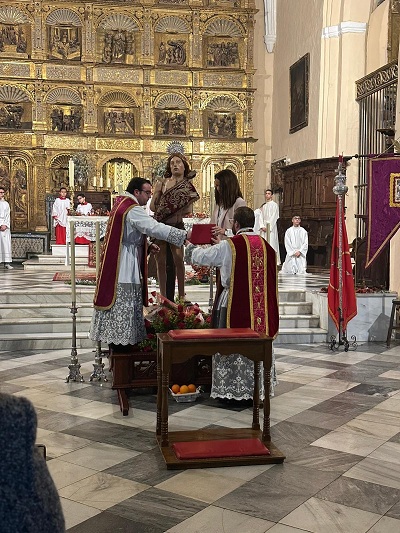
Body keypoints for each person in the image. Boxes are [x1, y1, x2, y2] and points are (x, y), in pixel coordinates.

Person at [187, 206, 279, 401]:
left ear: (236, 224)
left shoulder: (230, 245)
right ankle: (255, 389)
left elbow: (203, 258)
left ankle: (231, 390)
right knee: (255, 344)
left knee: (228, 343)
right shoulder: (266, 247)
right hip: (259, 306)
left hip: (231, 303)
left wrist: (190, 246)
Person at [90, 177, 188, 349]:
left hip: (123, 258)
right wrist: (183, 235)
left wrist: (147, 245)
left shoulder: (122, 203)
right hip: (125, 266)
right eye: (147, 193)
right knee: (124, 311)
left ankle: (120, 350)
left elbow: (127, 233)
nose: (149, 197)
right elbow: (153, 227)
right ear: (137, 192)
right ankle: (122, 353)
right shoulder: (132, 208)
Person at [150, 152, 199, 300]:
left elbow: (188, 210)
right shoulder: (163, 183)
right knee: (161, 261)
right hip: (161, 225)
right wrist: (158, 193)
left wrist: (176, 206)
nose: (175, 165)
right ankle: (164, 296)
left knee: (179, 260)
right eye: (172, 163)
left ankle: (182, 296)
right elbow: (153, 208)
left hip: (177, 225)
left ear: (184, 166)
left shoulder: (187, 186)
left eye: (178, 162)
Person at [211, 168, 246, 238]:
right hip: (217, 245)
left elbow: (242, 231)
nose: (218, 189)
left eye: (219, 186)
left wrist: (225, 232)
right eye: (216, 186)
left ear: (228, 186)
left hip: (230, 245)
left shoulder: (239, 202)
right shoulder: (219, 203)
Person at [258, 189, 281, 265]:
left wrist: (268, 227)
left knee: (271, 243)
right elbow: (260, 216)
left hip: (271, 227)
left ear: (271, 195)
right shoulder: (264, 206)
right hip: (264, 227)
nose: (267, 195)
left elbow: (274, 216)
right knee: (263, 243)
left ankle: (272, 260)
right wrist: (262, 226)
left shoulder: (274, 205)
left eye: (269, 193)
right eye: (266, 193)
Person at [0, 186, 13, 269]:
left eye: (2, 192)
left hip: (4, 226)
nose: (1, 194)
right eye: (0, 192)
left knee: (5, 244)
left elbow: (8, 216)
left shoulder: (6, 204)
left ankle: (6, 262)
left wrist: (5, 225)